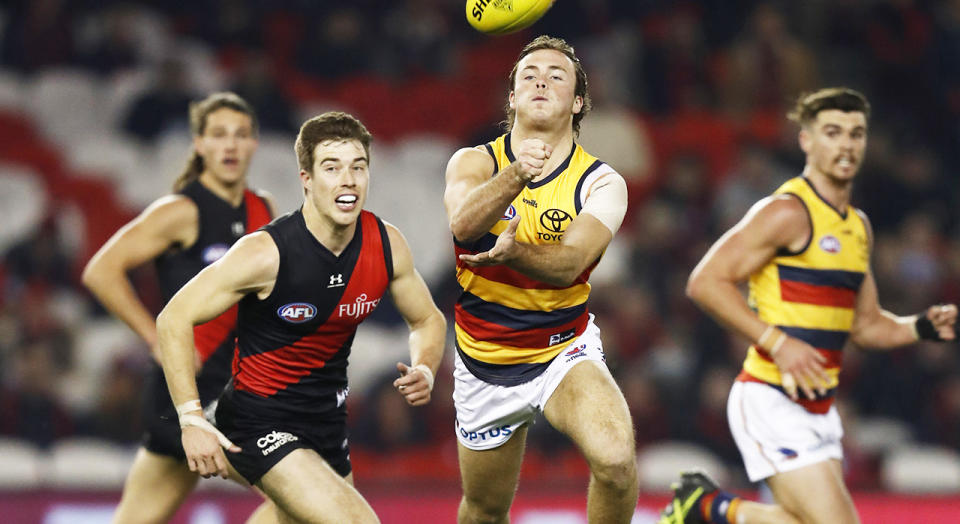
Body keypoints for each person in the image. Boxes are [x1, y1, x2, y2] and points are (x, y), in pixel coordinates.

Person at [660, 87, 958, 524]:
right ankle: (706, 507)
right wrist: (777, 342)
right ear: (806, 141)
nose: (846, 144)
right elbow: (705, 282)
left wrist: (921, 327)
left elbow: (868, 326)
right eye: (832, 132)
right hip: (770, 397)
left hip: (820, 408)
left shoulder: (858, 227)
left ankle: (706, 507)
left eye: (856, 134)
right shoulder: (786, 212)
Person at [156, 111, 447, 523]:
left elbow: (428, 321)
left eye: (357, 167)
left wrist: (426, 367)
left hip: (326, 425)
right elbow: (173, 318)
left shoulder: (385, 244)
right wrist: (191, 420)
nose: (348, 179)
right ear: (306, 179)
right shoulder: (265, 253)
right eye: (332, 167)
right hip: (258, 421)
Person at [443, 35, 637, 524]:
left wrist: (514, 253)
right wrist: (515, 174)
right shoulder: (474, 161)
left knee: (615, 462)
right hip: (484, 359)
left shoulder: (602, 182)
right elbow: (463, 225)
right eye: (528, 74)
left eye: (556, 75)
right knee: (485, 510)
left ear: (577, 103)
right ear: (511, 98)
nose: (540, 80)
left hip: (560, 349)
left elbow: (570, 263)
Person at [82, 91, 277, 524]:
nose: (230, 145)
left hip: (235, 394)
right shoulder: (181, 210)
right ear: (199, 144)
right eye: (219, 135)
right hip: (185, 397)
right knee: (306, 494)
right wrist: (154, 337)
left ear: (254, 144)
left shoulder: (263, 209)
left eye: (240, 135)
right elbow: (101, 270)